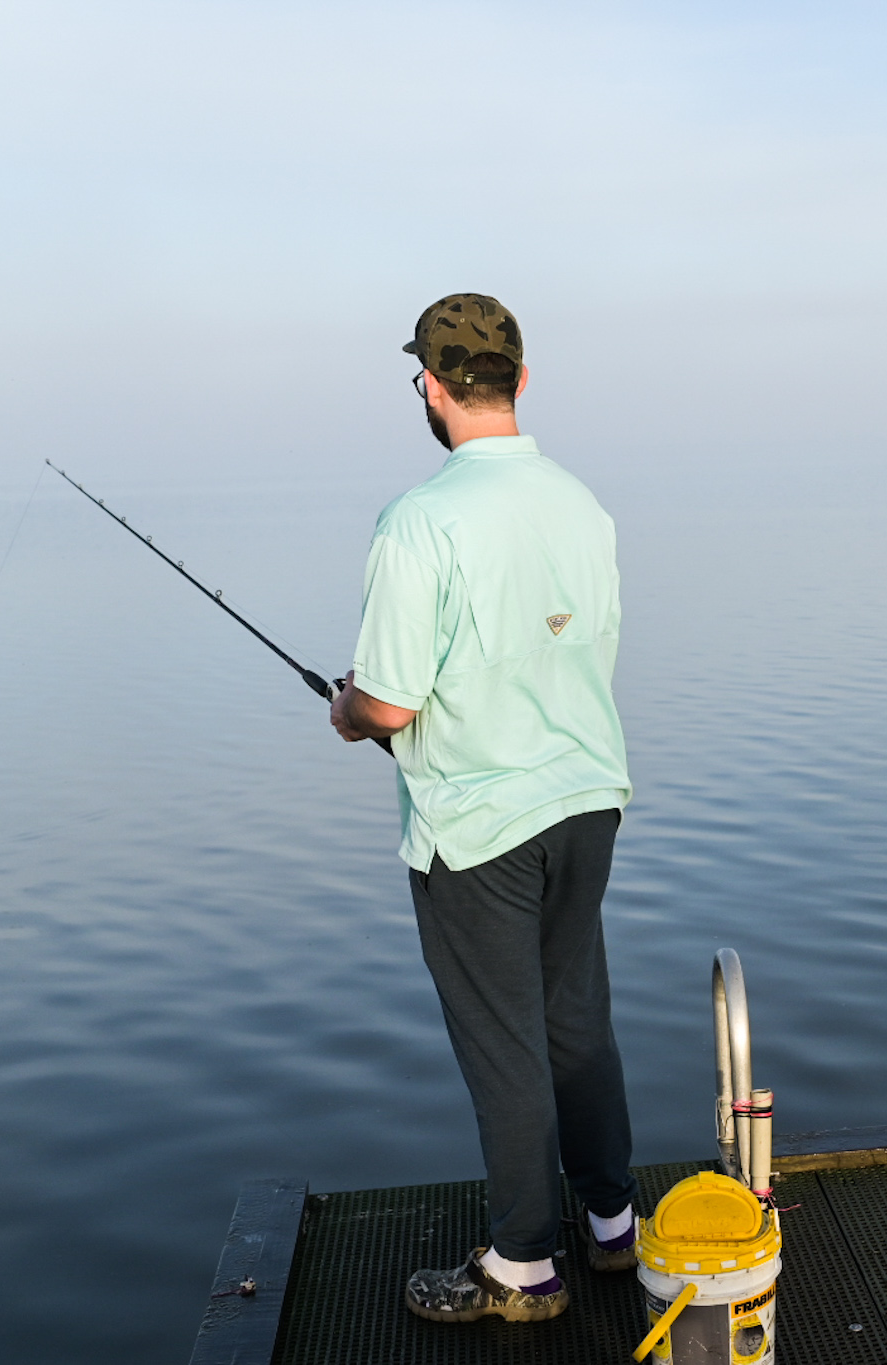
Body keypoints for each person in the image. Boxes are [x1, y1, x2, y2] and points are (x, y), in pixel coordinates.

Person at [328, 293, 639, 1324]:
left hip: (478, 831)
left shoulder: (419, 522)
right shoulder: (581, 505)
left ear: (429, 385)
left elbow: (391, 702)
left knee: (504, 1045)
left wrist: (346, 710)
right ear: (519, 379)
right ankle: (608, 1226)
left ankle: (520, 1266)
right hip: (587, 804)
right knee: (574, 1023)